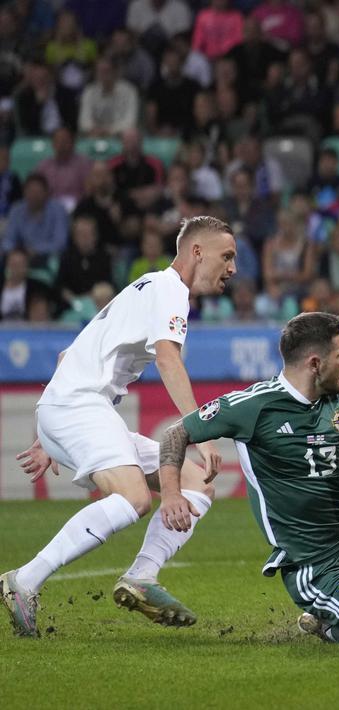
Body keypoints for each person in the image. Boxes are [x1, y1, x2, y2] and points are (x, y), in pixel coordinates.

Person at [155, 312, 339, 645]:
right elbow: (176, 433)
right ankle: (329, 626)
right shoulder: (254, 406)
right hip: (313, 563)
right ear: (316, 363)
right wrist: (171, 494)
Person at [1, 216, 237, 637]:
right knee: (133, 497)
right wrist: (201, 431)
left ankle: (142, 575)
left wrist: (47, 436)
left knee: (197, 482)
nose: (233, 268)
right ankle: (26, 580)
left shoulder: (144, 288)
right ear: (197, 252)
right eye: (228, 256)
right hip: (77, 406)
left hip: (72, 406)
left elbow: (65, 358)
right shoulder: (170, 290)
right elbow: (168, 360)